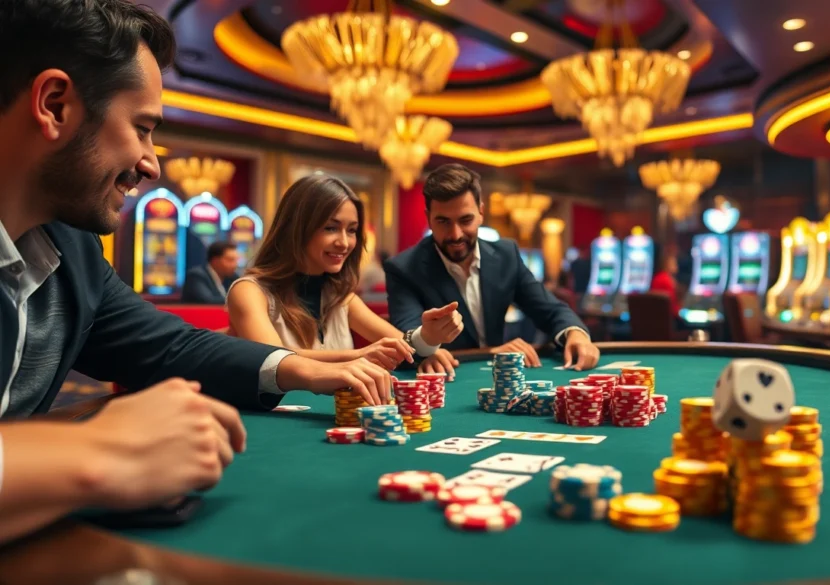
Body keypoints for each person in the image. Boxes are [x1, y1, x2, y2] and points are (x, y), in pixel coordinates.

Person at [0, 0, 393, 545]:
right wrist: (95, 451)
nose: (151, 163)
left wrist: (303, 370)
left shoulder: (73, 248)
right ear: (55, 104)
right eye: (141, 128)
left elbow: (172, 347)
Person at [385, 164, 601, 378]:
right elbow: (408, 338)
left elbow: (550, 309)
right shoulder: (404, 268)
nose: (456, 234)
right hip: (448, 383)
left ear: (481, 212)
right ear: (428, 218)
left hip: (502, 380)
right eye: (443, 221)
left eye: (465, 220)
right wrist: (488, 353)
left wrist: (576, 333)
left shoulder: (506, 255)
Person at [227, 175, 463, 369]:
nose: (344, 242)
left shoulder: (341, 297)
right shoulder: (250, 291)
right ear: (296, 229)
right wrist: (359, 356)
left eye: (351, 231)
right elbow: (274, 361)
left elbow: (401, 345)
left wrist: (429, 338)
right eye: (331, 228)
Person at [649, 244, 680, 318]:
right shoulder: (666, 280)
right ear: (667, 263)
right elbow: (672, 308)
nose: (676, 266)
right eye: (674, 263)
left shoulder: (658, 277)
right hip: (668, 320)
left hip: (655, 319)